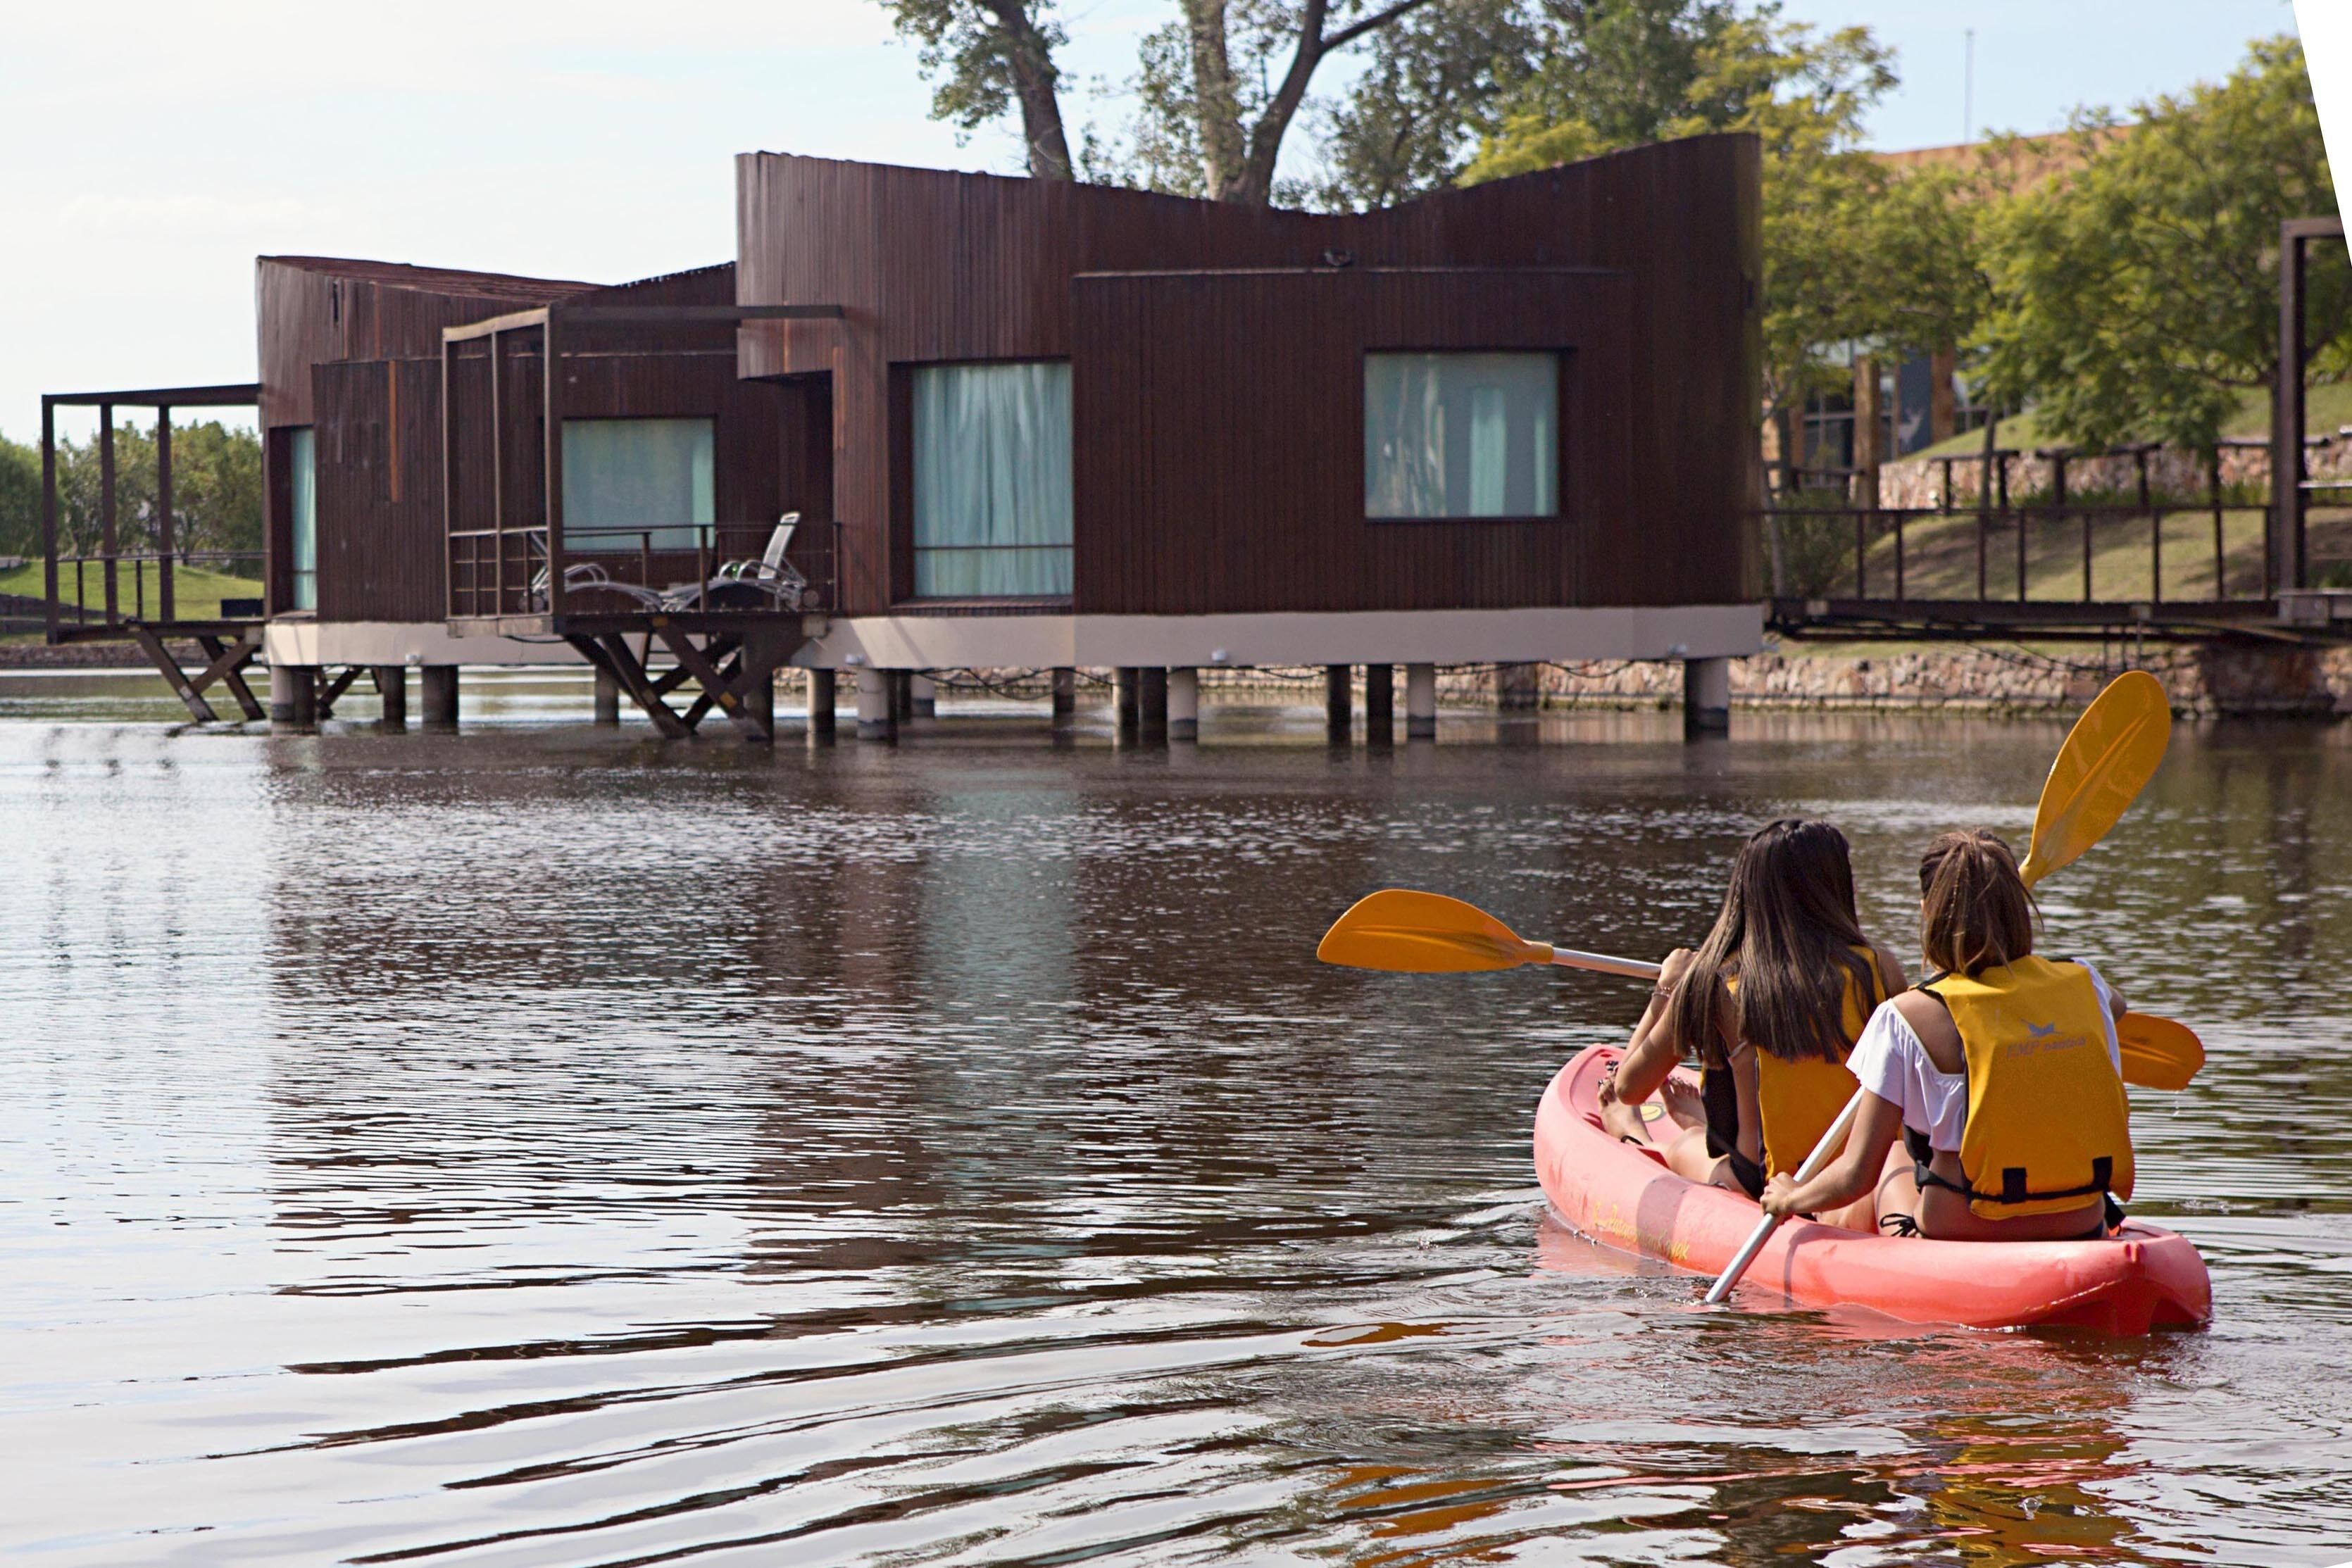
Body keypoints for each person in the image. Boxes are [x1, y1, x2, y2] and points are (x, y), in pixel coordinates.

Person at [1760, 828, 2134, 1241]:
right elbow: (2117, 1008)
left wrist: (1790, 1197)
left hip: (1959, 1231)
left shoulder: (1903, 1016)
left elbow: (1855, 1176)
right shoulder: (2087, 986)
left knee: (1895, 1152)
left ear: (1928, 912)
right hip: (2080, 1222)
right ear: (2018, 908)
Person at [1599, 819, 1906, 1229]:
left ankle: (1635, 1136)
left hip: (1768, 1182)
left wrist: (1666, 992)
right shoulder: (1879, 969)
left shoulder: (1713, 982)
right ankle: (1703, 1124)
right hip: (1866, 1172)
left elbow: (1630, 1088)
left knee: (1682, 1148)